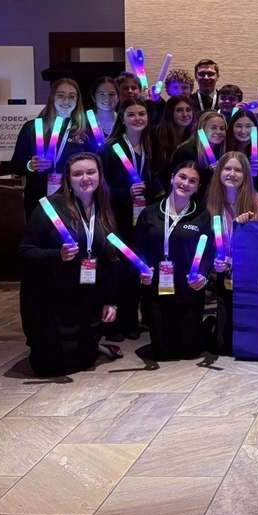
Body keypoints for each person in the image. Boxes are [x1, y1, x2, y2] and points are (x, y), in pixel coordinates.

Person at [17, 152, 119, 376]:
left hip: (86, 299)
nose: (85, 178)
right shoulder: (49, 208)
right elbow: (25, 251)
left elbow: (110, 260)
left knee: (84, 361)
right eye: (78, 174)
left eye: (91, 172)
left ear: (100, 176)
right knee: (49, 367)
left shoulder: (103, 209)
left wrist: (111, 301)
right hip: (51, 301)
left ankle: (95, 344)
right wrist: (57, 255)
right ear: (68, 179)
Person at [134, 162, 213, 361]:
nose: (185, 183)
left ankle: (206, 326)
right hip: (157, 290)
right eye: (182, 177)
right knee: (162, 353)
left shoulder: (202, 216)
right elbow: (139, 248)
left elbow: (209, 252)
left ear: (197, 187)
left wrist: (203, 274)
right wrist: (142, 269)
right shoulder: (149, 213)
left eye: (192, 181)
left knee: (190, 352)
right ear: (172, 178)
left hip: (189, 290)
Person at [102, 98, 160, 341]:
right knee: (118, 271)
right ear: (122, 118)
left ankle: (131, 321)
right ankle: (114, 326)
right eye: (132, 114)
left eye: (142, 114)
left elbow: (156, 178)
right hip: (119, 218)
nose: (138, 118)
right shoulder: (110, 148)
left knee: (138, 269)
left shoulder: (150, 145)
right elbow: (101, 188)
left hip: (143, 219)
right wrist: (125, 193)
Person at [205, 151, 258, 354]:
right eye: (227, 169)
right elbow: (206, 244)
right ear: (219, 172)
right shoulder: (211, 204)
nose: (232, 174)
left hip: (253, 275)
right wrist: (214, 263)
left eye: (238, 170)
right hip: (223, 276)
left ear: (246, 175)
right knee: (224, 347)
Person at [10, 77, 93, 219]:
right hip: (38, 199)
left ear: (77, 99)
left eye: (71, 96)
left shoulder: (84, 131)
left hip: (74, 200)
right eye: (60, 95)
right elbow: (15, 165)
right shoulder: (32, 128)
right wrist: (31, 165)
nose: (66, 101)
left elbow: (95, 165)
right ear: (52, 97)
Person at [171, 111, 227, 202]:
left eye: (222, 128)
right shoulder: (187, 151)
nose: (218, 131)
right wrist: (211, 173)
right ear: (202, 130)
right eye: (213, 128)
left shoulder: (222, 151)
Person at [153, 95, 196, 183]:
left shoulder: (197, 137)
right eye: (179, 110)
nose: (185, 114)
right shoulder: (156, 134)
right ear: (170, 113)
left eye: (188, 110)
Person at [89, 76, 119, 148]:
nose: (107, 98)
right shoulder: (84, 124)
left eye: (111, 94)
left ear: (118, 97)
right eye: (102, 94)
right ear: (94, 97)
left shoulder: (124, 122)